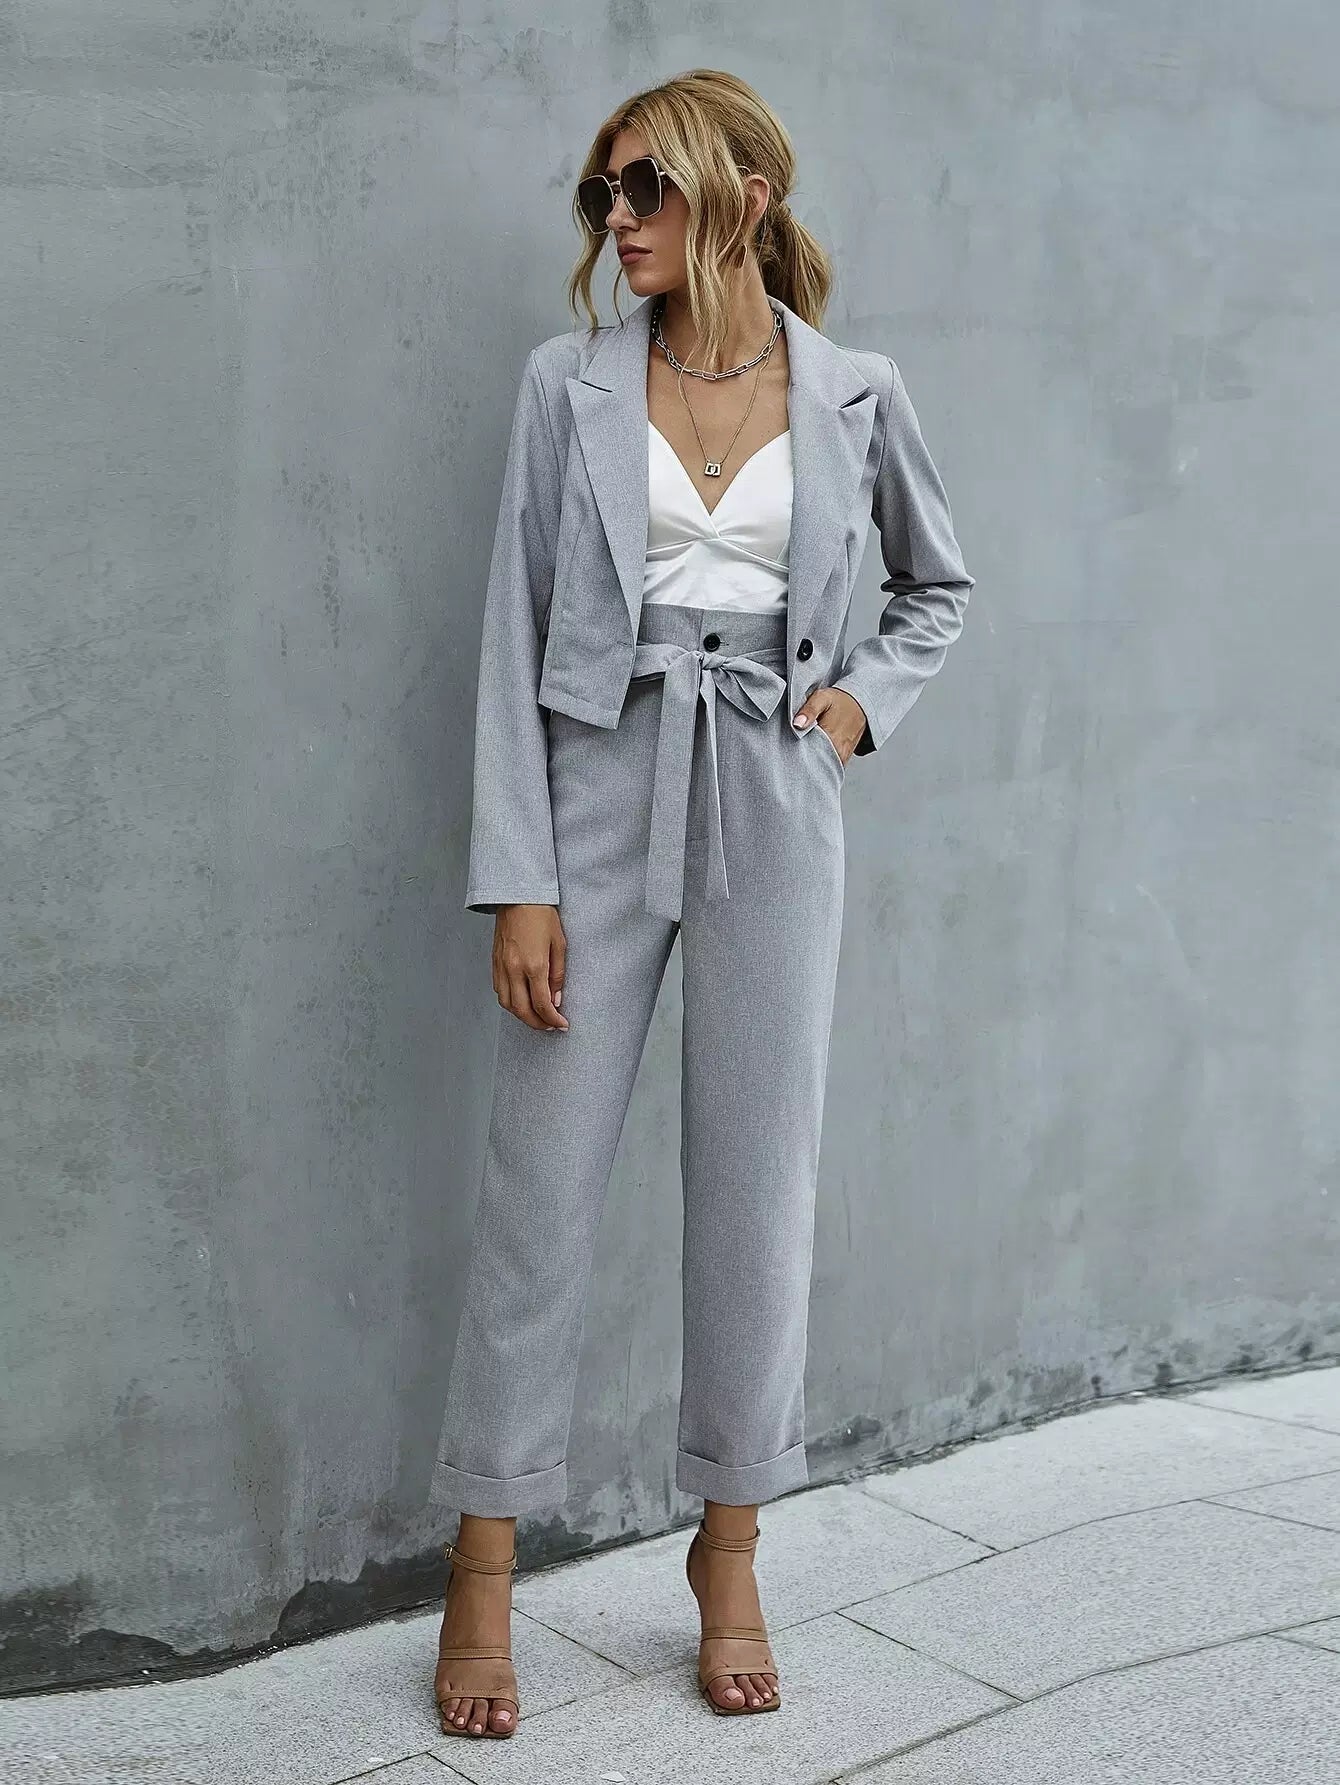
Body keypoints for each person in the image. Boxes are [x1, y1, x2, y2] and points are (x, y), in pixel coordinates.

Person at [430, 67, 975, 1740]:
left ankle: (729, 1550)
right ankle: (481, 1565)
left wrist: (851, 710)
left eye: (646, 189)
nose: (618, 222)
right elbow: (510, 634)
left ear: (740, 196)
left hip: (771, 793)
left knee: (758, 1189)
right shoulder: (568, 384)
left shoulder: (855, 391)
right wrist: (520, 877)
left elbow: (935, 587)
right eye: (603, 196)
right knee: (539, 1191)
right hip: (597, 784)